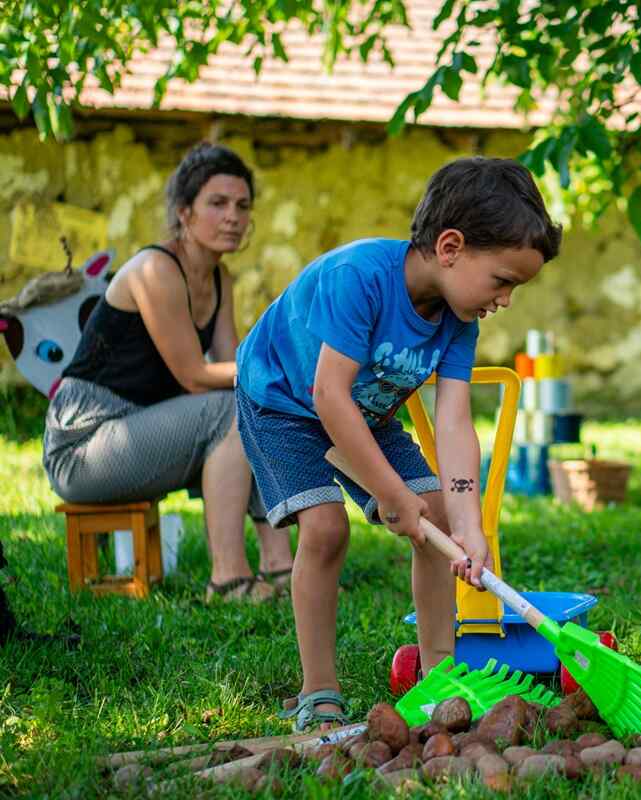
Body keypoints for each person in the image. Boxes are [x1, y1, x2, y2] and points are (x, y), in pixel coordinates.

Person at [235, 156, 562, 731]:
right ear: (451, 247)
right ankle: (318, 689)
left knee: (434, 513)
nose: (505, 299)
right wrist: (390, 492)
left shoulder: (459, 318)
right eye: (503, 281)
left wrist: (467, 524)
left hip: (365, 409)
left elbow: (456, 423)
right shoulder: (357, 278)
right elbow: (328, 396)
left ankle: (439, 676)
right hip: (282, 402)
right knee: (327, 527)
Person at [42, 142, 294, 603]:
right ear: (184, 212)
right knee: (227, 410)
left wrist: (269, 383)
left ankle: (281, 567)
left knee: (249, 405)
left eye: (242, 206)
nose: (232, 217)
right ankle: (228, 579)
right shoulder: (155, 268)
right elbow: (196, 377)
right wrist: (281, 371)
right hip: (83, 444)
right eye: (217, 204)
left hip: (141, 431)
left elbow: (233, 368)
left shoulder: (221, 280)